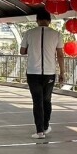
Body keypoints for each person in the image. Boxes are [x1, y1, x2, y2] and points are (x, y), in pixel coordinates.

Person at [20, 8, 65, 141]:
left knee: (37, 101)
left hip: (33, 72)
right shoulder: (56, 34)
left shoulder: (29, 33)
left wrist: (31, 48)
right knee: (47, 100)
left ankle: (39, 131)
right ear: (50, 21)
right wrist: (62, 72)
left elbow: (22, 51)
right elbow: (60, 55)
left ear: (37, 20)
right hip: (49, 73)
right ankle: (45, 125)